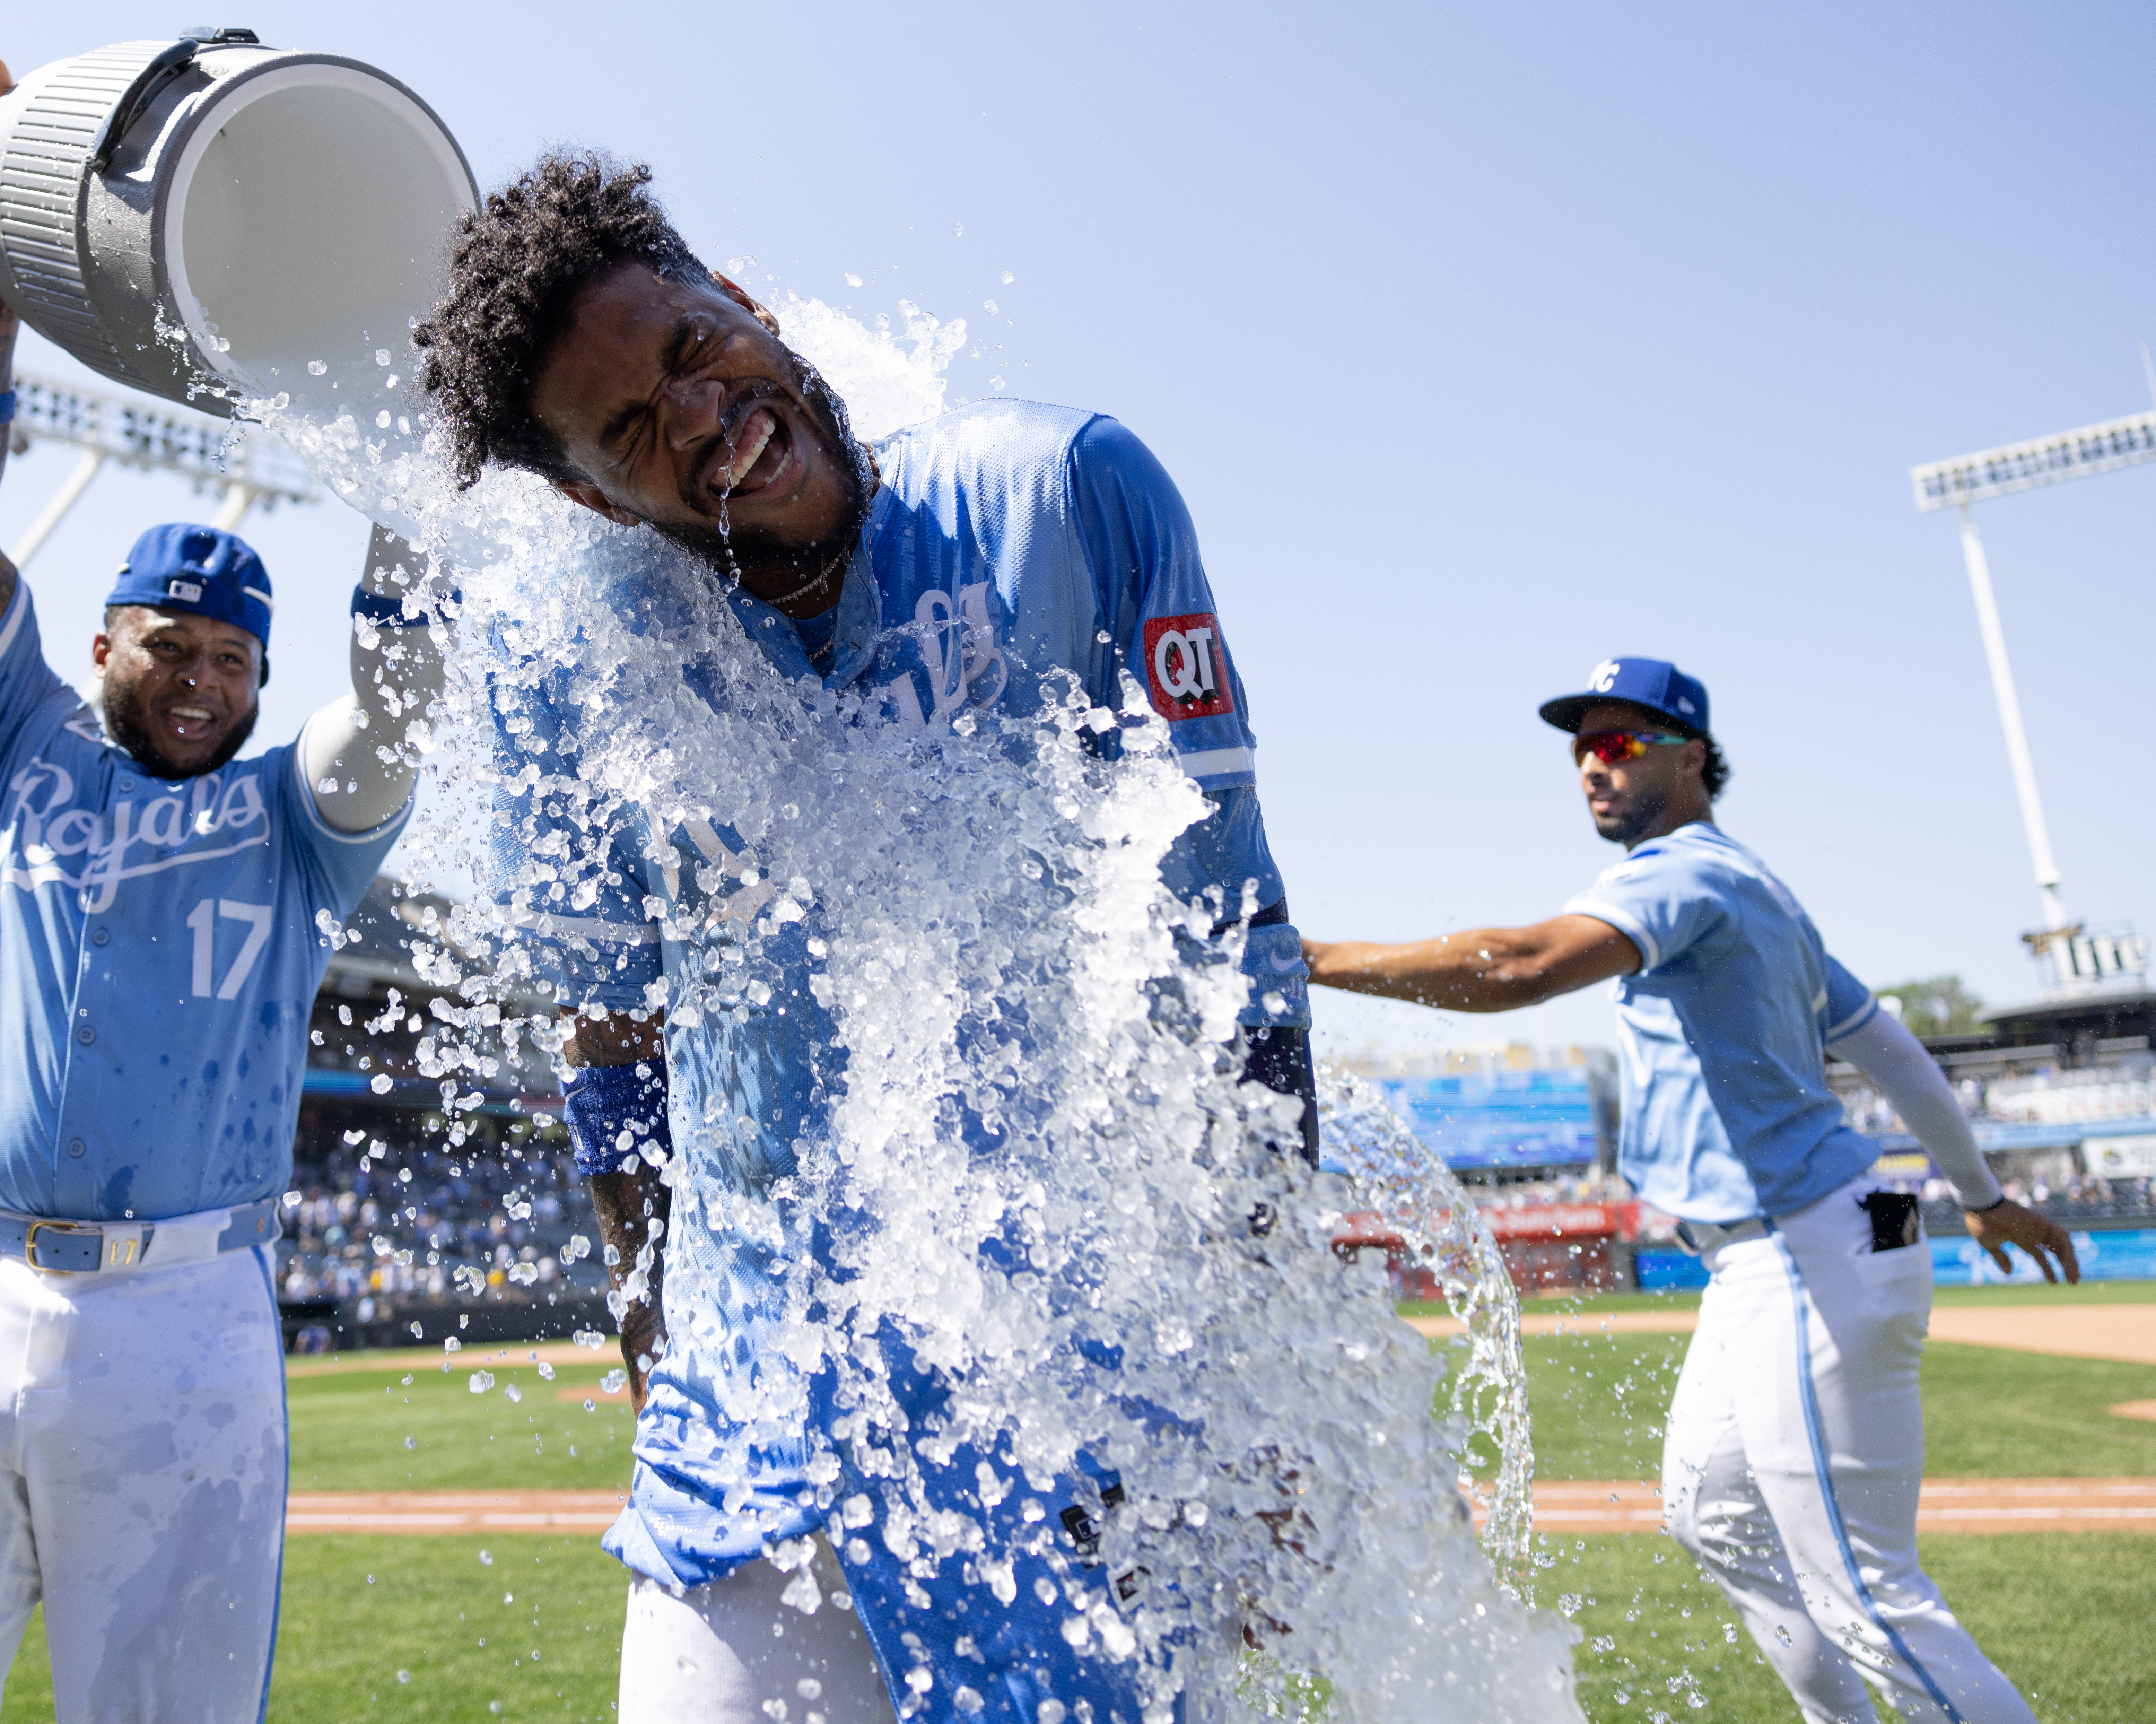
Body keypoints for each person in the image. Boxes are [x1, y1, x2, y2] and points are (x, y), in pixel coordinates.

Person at [411, 153, 1315, 1722]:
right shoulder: (567, 667)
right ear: (586, 496)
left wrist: (1264, 1378)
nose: (698, 416)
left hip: (1081, 1379)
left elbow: (1234, 947)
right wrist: (656, 1373)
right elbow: (613, 1050)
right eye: (632, 427)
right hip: (751, 1404)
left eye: (694, 350)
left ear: (744, 303)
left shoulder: (1064, 493)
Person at [0, 60, 443, 1721]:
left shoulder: (302, 819)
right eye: (175, 645)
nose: (207, 678)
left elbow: (401, 694)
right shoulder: (5, 747)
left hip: (183, 1319)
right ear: (102, 642)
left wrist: (401, 453)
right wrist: (1, 259)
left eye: (236, 658)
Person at [1302, 655, 2075, 1724]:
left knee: (1868, 1597)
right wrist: (1983, 1195)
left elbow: (1527, 964)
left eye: (1619, 742)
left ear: (1693, 756)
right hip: (1804, 1247)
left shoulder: (1682, 873)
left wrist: (1317, 957)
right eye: (1581, 747)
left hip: (1804, 1253)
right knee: (1715, 1511)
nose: (1591, 765)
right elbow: (1894, 1053)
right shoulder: (1756, 886)